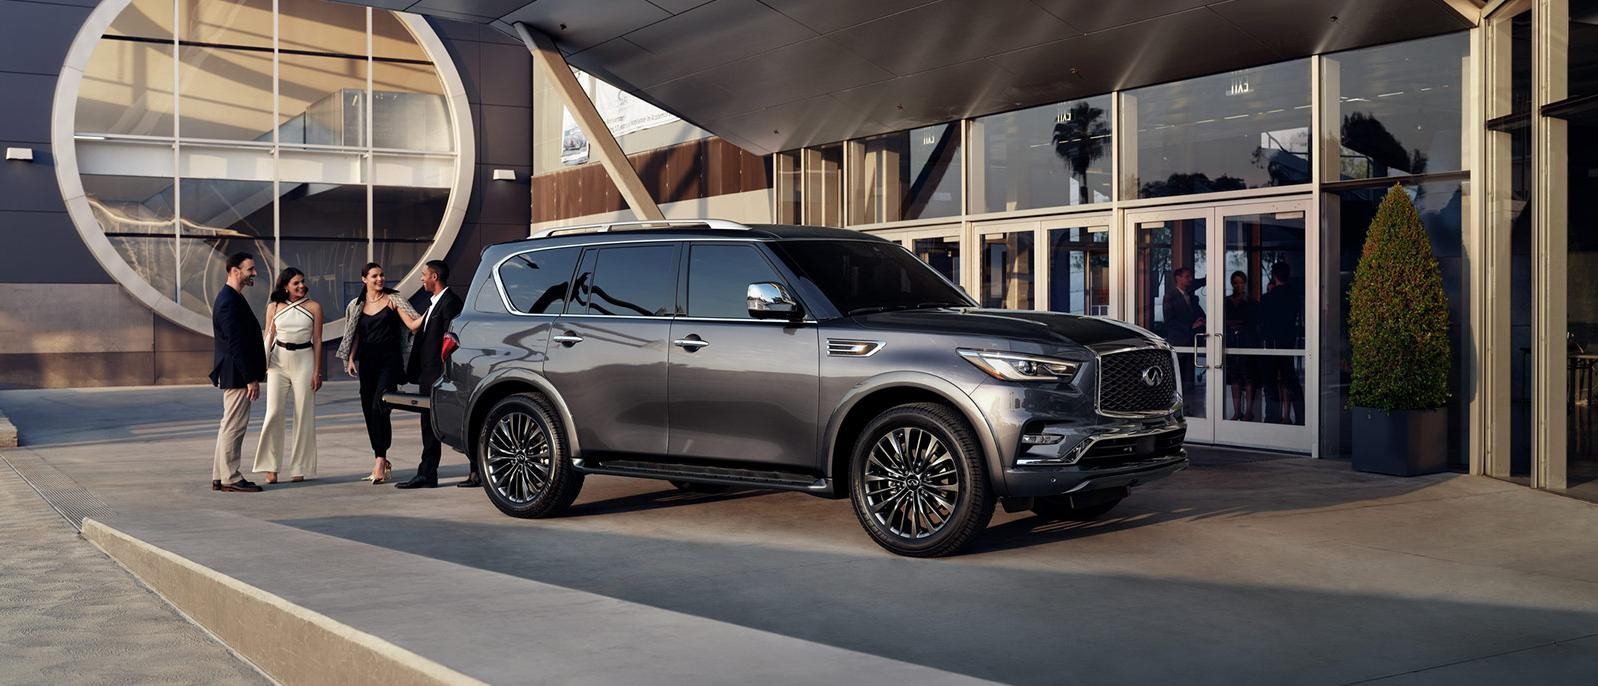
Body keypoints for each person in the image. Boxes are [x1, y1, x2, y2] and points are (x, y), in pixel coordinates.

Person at [336, 263, 422, 485]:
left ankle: (380, 460)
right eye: (374, 276)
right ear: (364, 279)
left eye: (382, 275)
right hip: (367, 363)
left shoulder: (394, 299)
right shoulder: (356, 304)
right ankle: (380, 455)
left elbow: (413, 324)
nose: (380, 279)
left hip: (389, 362)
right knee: (368, 409)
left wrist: (434, 308)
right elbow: (354, 333)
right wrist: (350, 358)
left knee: (379, 407)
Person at [397, 260, 470, 489]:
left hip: (441, 375)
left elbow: (452, 339)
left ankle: (477, 471)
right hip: (428, 375)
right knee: (427, 424)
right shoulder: (433, 304)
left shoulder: (450, 302)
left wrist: (443, 369)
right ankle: (427, 474)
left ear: (434, 277)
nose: (421, 278)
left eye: (423, 274)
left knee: (456, 421)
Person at [250, 267, 324, 483]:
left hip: (305, 360)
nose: (301, 286)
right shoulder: (273, 307)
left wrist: (317, 371)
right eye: (296, 283)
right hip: (277, 362)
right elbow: (268, 335)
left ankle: (298, 466)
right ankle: (270, 466)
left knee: (304, 414)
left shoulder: (314, 307)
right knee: (273, 412)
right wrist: (260, 365)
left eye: (302, 281)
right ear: (285, 286)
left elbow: (318, 340)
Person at [210, 252, 267, 493]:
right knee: (235, 426)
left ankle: (219, 475)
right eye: (250, 269)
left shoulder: (232, 297)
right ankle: (230, 478)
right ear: (235, 271)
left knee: (228, 424)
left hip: (236, 372)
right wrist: (250, 378)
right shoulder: (228, 300)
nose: (254, 273)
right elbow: (235, 344)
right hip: (236, 373)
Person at [1257, 261, 1305, 424]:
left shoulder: (1268, 298)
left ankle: (1272, 417)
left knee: (1270, 381)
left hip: (1272, 343)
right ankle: (1301, 418)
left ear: (1274, 276)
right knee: (1290, 379)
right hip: (1288, 342)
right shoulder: (1294, 297)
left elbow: (1261, 321)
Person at [1223, 270, 1258, 421]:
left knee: (1249, 376)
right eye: (1235, 282)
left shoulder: (1251, 301)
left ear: (1245, 283)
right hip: (1231, 342)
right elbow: (1222, 320)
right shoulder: (1226, 301)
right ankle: (1237, 411)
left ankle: (1249, 411)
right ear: (1232, 284)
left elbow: (1254, 322)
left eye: (1241, 282)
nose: (1238, 285)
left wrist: (1237, 323)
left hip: (1247, 342)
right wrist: (1236, 323)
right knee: (1234, 377)